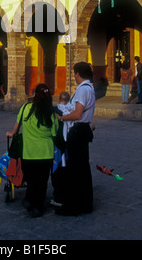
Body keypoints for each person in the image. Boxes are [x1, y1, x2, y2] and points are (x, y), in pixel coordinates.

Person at [6, 83, 59, 218]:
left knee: (31, 179)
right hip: (45, 153)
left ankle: (29, 199)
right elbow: (54, 133)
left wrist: (11, 134)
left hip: (28, 153)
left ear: (35, 94)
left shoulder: (25, 108)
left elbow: (17, 127)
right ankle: (37, 207)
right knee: (41, 182)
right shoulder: (51, 114)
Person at [55, 62, 95, 216]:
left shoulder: (82, 90)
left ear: (77, 73)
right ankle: (85, 203)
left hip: (77, 131)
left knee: (74, 169)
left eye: (74, 73)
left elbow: (78, 114)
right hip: (83, 130)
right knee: (83, 168)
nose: (74, 76)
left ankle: (73, 205)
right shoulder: (89, 88)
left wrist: (62, 117)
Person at [51, 91, 75, 207]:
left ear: (59, 99)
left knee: (58, 169)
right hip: (70, 143)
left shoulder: (56, 111)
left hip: (58, 143)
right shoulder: (73, 111)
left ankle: (59, 195)